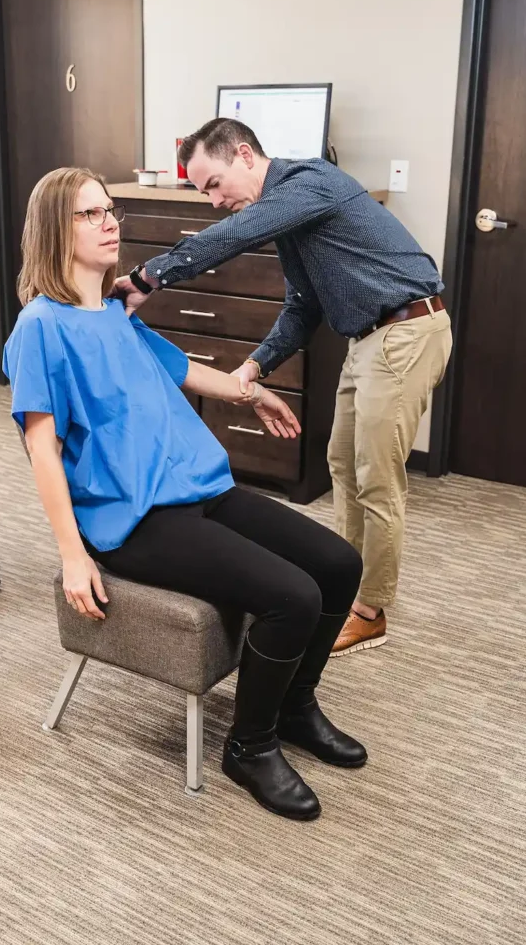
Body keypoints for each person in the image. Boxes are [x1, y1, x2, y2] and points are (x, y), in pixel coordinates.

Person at [3, 166, 366, 821]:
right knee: (292, 596)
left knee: (338, 565)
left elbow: (184, 370)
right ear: (56, 229)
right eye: (90, 214)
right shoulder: (40, 329)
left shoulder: (113, 314)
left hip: (194, 487)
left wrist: (252, 392)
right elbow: (40, 447)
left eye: (109, 209)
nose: (110, 221)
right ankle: (249, 746)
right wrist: (71, 556)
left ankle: (293, 708)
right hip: (134, 518)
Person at [114, 119, 453, 658]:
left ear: (245, 155)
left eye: (213, 184)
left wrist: (148, 276)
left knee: (377, 478)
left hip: (406, 332)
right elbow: (302, 306)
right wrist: (254, 367)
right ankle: (346, 584)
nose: (212, 201)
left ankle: (370, 610)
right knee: (342, 464)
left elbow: (233, 237)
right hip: (369, 338)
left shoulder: (308, 183)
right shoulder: (294, 219)